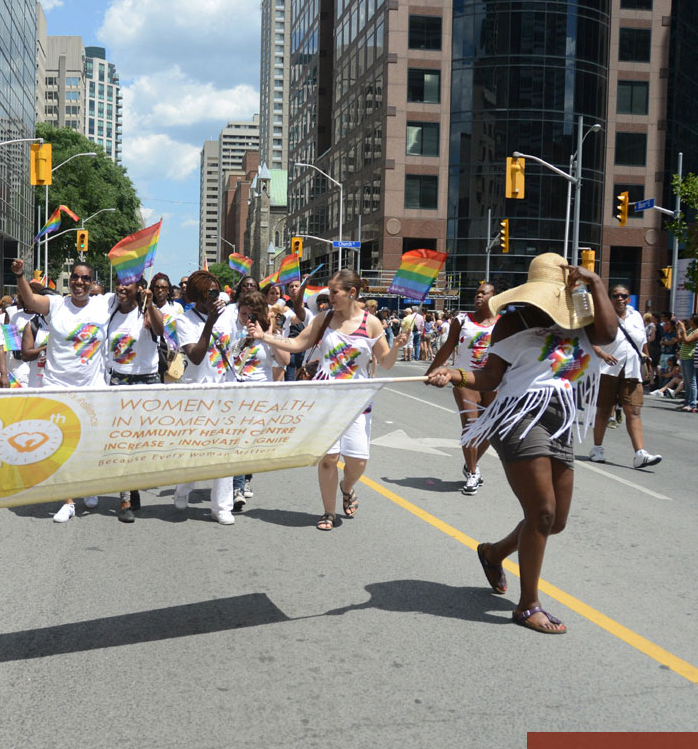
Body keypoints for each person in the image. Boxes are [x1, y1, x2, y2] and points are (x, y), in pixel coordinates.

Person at [425, 253, 618, 634]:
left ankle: (493, 553)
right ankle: (528, 605)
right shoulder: (512, 321)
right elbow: (489, 377)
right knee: (542, 512)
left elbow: (609, 334)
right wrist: (454, 374)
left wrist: (595, 283)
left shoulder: (580, 319)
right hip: (519, 417)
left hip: (561, 419)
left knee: (555, 521)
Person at [250, 269, 408, 531]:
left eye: (335, 292)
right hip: (324, 398)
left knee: (357, 461)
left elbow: (387, 363)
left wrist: (398, 347)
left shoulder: (371, 324)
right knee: (328, 459)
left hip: (357, 400)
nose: (329, 296)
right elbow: (298, 343)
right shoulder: (324, 319)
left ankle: (347, 486)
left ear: (351, 293)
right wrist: (264, 336)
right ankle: (328, 512)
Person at [12, 259, 114, 522]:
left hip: (92, 389)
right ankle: (68, 500)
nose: (79, 282)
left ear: (93, 283)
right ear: (70, 281)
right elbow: (31, 301)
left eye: (85, 279)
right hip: (57, 387)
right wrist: (20, 276)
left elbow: (130, 294)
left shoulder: (104, 304)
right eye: (75, 278)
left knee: (90, 444)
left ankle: (89, 486)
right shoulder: (57, 305)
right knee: (61, 445)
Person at [173, 270, 240, 524]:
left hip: (225, 390)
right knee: (194, 449)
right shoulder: (185, 321)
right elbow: (196, 356)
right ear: (196, 295)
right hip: (197, 393)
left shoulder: (228, 317)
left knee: (224, 449)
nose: (215, 296)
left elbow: (232, 349)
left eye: (216, 291)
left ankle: (222, 506)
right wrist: (209, 323)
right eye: (209, 292)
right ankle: (183, 487)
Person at [426, 282, 499, 494]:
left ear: (494, 297)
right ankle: (474, 472)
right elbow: (448, 347)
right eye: (476, 292)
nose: (478, 296)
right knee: (471, 426)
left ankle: (470, 463)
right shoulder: (462, 320)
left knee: (490, 430)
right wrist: (430, 371)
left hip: (493, 381)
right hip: (464, 379)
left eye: (483, 293)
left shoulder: (503, 323)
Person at [106, 277, 166, 522]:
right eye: (118, 283)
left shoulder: (148, 313)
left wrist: (149, 304)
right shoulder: (109, 312)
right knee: (123, 443)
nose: (121, 288)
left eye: (127, 284)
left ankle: (134, 485)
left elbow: (160, 330)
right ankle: (125, 501)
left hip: (146, 382)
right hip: (119, 382)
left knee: (141, 443)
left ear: (138, 289)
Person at [588, 285, 662, 467]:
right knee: (604, 410)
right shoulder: (601, 315)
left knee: (634, 410)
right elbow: (589, 340)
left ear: (629, 298)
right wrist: (603, 355)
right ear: (609, 298)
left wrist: (647, 361)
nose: (620, 299)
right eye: (615, 296)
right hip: (607, 369)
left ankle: (640, 454)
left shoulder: (636, 316)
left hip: (632, 370)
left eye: (624, 296)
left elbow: (642, 342)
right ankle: (597, 448)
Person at [231, 290, 290, 510]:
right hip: (235, 393)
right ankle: (236, 487)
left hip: (260, 395)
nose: (247, 319)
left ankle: (245, 478)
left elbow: (285, 360)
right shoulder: (233, 329)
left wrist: (266, 336)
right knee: (237, 440)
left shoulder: (271, 331)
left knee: (250, 442)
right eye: (243, 313)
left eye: (252, 314)